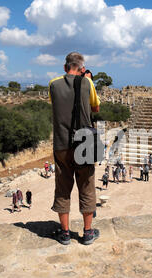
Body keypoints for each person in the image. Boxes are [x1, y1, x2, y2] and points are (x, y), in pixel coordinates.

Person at [49, 52, 101, 246]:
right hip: (85, 142)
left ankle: (64, 233)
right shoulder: (88, 83)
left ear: (64, 67)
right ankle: (87, 233)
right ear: (82, 68)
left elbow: (58, 105)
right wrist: (86, 81)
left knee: (62, 187)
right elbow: (95, 109)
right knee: (87, 186)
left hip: (61, 142)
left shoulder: (53, 84)